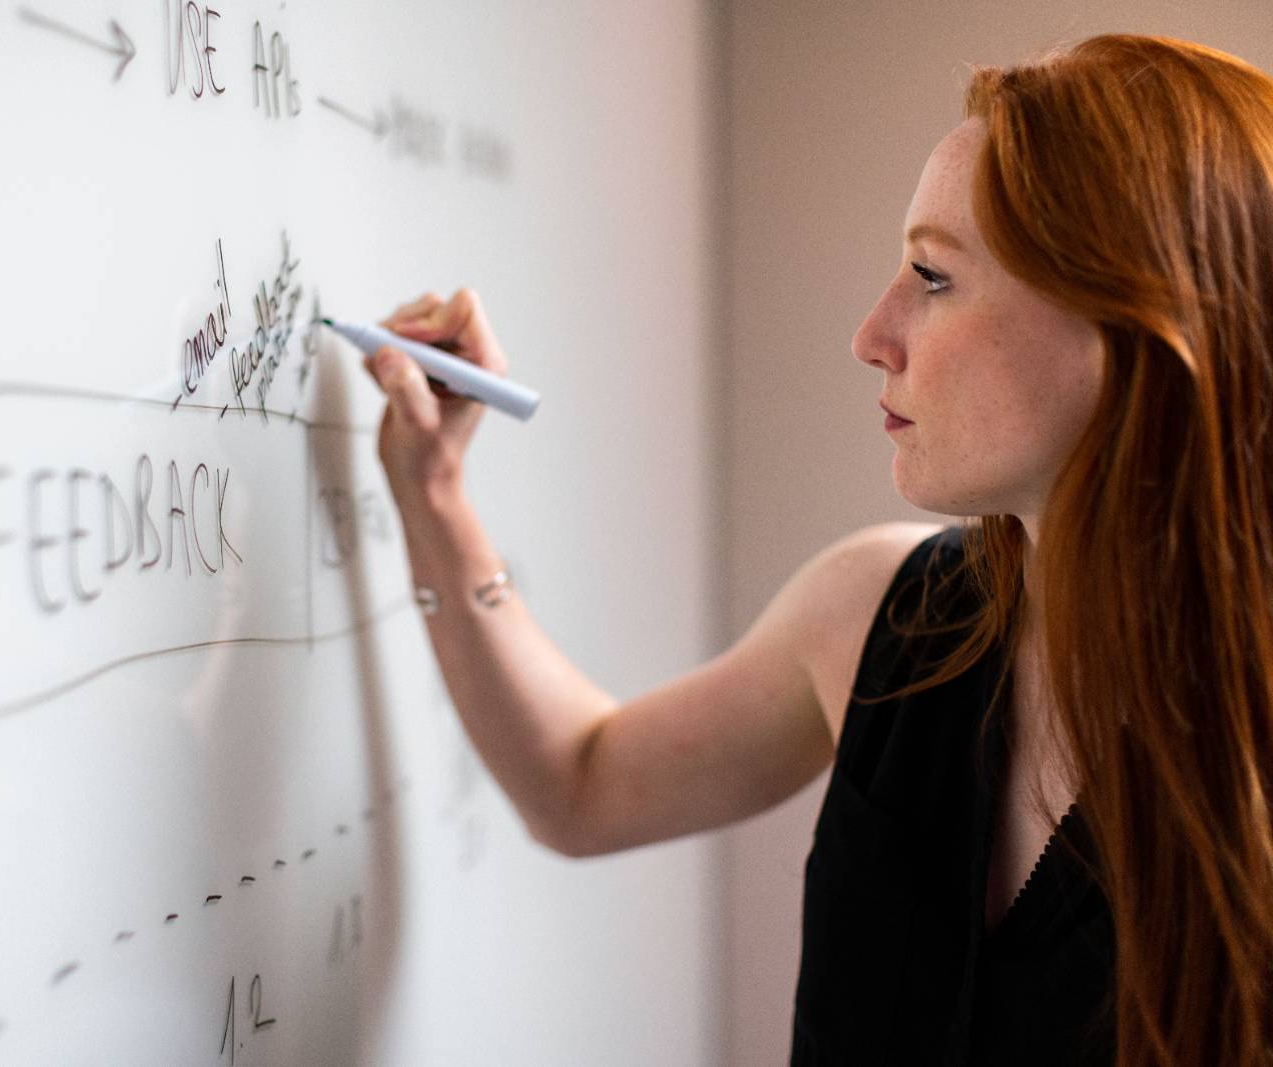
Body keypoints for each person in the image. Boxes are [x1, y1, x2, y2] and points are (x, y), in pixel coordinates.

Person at [362, 33, 1273, 1067]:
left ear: (1129, 329)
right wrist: (434, 494)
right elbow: (579, 782)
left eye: (932, 276)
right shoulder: (883, 614)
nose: (871, 333)